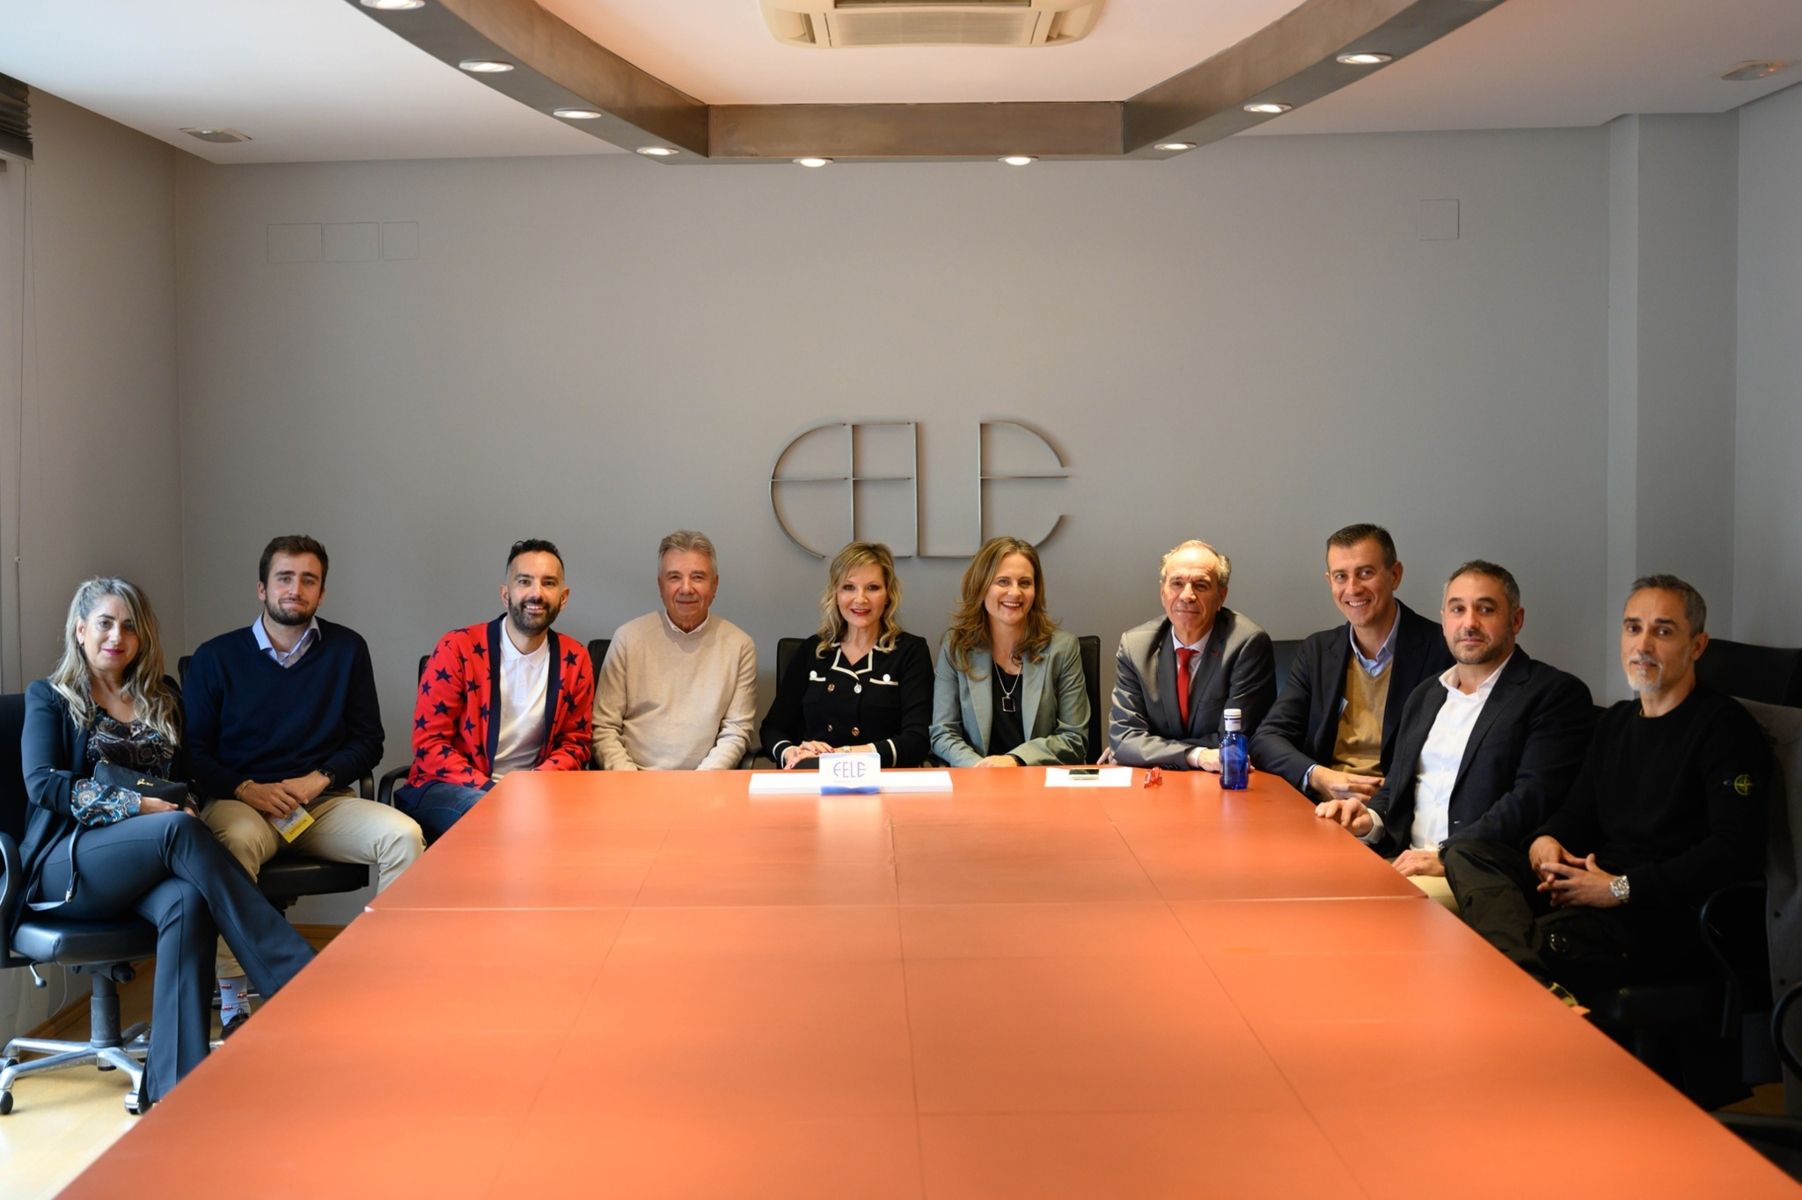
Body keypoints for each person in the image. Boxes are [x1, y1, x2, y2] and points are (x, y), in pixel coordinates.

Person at [18, 578, 314, 1104]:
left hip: (151, 857)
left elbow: (185, 778)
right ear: (81, 629)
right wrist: (142, 807)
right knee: (177, 828)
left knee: (188, 897)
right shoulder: (52, 696)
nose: (117, 636)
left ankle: (179, 1088)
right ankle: (291, 971)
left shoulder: (160, 698)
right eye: (105, 623)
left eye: (130, 625)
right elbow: (43, 783)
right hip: (70, 863)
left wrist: (187, 802)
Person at [1445, 575, 1772, 1008]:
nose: (1643, 646)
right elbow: (1578, 814)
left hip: (1661, 914)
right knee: (1467, 851)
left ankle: (1527, 984)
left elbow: (1734, 852)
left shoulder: (1725, 728)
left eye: (1663, 631)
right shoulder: (1617, 722)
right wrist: (1548, 841)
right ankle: (1532, 984)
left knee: (1503, 947)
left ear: (1697, 646)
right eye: (1633, 628)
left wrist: (1619, 888)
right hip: (1592, 885)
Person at [184, 535, 423, 1026]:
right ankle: (233, 993)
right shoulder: (216, 657)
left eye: (308, 580)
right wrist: (246, 788)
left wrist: (319, 780)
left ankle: (389, 977)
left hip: (321, 802)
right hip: (242, 802)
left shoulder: (347, 650)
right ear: (261, 589)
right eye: (285, 578)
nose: (296, 589)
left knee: (404, 835)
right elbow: (194, 753)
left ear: (321, 592)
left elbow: (368, 740)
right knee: (230, 844)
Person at [1316, 560, 1592, 906]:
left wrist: (1446, 855)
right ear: (1444, 620)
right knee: (1309, 887)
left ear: (1516, 620)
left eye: (1486, 609)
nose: (1469, 623)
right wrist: (1368, 819)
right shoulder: (1427, 694)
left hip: (1478, 874)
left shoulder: (1552, 694)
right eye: (1457, 609)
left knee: (1361, 910)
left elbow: (1530, 800)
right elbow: (1398, 786)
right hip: (1404, 861)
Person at [395, 539, 594, 843]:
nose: (536, 594)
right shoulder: (457, 648)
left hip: (536, 793)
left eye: (548, 583)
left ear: (563, 597)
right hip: (450, 788)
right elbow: (429, 743)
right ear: (505, 594)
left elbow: (576, 744)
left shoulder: (574, 658)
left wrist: (530, 787)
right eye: (524, 581)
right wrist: (495, 792)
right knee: (492, 814)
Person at [1251, 524, 1451, 800]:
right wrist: (1319, 776)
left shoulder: (1442, 649)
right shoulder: (1317, 651)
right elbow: (1267, 738)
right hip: (1324, 804)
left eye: (1365, 573)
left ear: (1395, 575)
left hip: (1398, 810)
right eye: (1340, 576)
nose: (1352, 589)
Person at [592, 530, 756, 770]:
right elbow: (604, 727)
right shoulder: (628, 638)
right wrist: (628, 780)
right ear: (661, 585)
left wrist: (699, 786)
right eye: (674, 577)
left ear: (715, 585)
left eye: (698, 577)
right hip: (632, 781)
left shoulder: (740, 646)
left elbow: (736, 731)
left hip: (705, 787)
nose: (686, 588)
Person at [761, 541, 932, 769]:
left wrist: (843, 755)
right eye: (849, 587)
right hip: (814, 779)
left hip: (884, 782)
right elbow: (772, 729)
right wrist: (793, 752)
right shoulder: (813, 650)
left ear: (888, 594)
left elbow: (918, 740)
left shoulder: (911, 651)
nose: (860, 599)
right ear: (836, 593)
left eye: (872, 587)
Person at [1109, 540, 1276, 770]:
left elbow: (1233, 742)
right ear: (1162, 592)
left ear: (1221, 597)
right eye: (1177, 583)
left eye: (1201, 585)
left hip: (1222, 785)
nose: (1187, 595)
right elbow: (1124, 738)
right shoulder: (1135, 646)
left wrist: (1145, 750)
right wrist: (1196, 755)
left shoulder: (1247, 644)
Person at [930, 536, 1088, 766]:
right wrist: (980, 768)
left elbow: (1074, 738)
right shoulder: (956, 646)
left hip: (1038, 785)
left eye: (1024, 583)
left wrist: (1015, 760)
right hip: (974, 783)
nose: (1015, 593)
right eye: (1003, 582)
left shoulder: (1062, 648)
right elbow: (943, 733)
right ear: (981, 586)